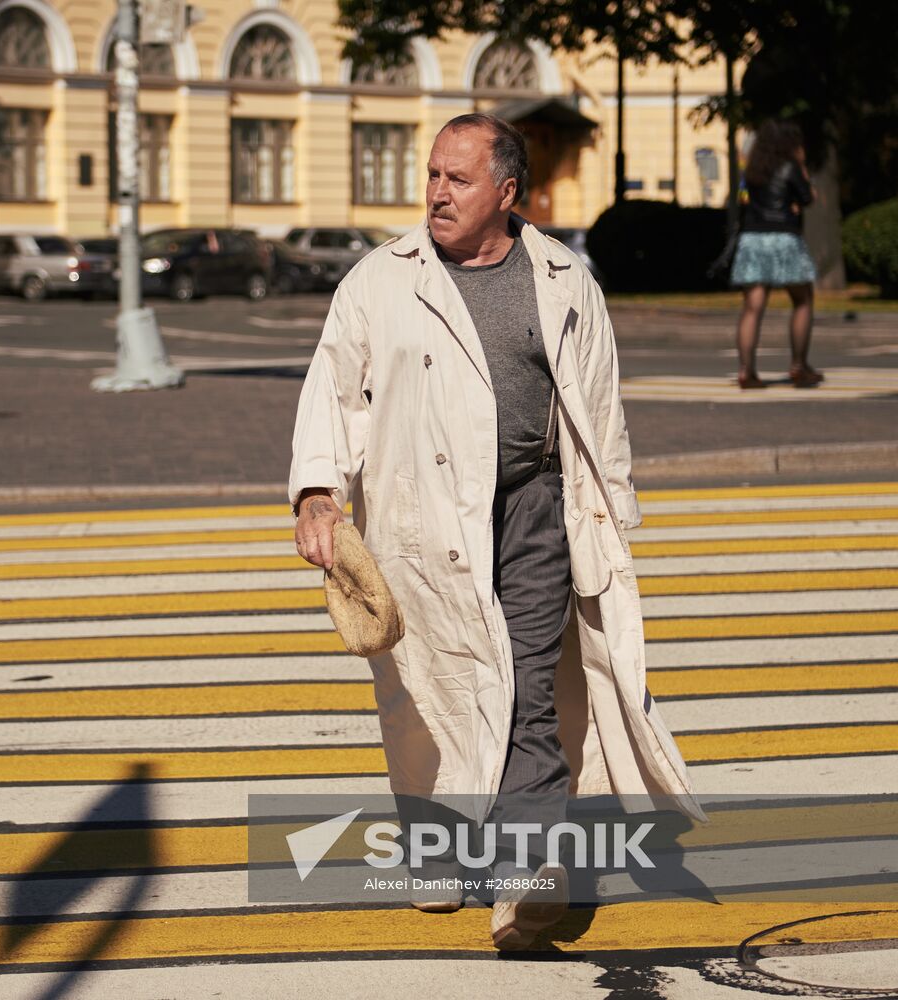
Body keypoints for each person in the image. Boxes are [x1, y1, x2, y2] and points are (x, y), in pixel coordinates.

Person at [289, 113, 704, 950]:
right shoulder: (379, 281)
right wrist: (317, 496)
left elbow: (600, 409)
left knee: (527, 688)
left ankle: (529, 874)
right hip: (420, 520)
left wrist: (611, 522)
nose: (438, 192)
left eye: (458, 179)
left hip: (532, 510)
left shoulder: (561, 277)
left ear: (507, 192)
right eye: (433, 174)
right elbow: (334, 392)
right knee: (425, 703)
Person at [731, 120, 822, 388]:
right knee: (803, 300)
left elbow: (743, 199)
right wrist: (802, 167)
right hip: (784, 238)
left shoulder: (754, 168)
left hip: (753, 239)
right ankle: (799, 366)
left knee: (752, 307)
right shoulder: (790, 166)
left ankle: (746, 371)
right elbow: (807, 198)